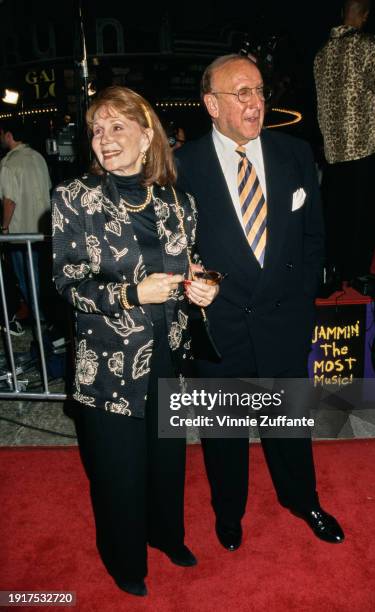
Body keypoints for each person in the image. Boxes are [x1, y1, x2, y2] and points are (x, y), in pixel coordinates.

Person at [52, 86, 218, 597]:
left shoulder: (179, 203)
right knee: (119, 470)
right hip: (106, 364)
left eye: (117, 127)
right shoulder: (73, 199)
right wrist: (131, 293)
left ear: (147, 136)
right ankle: (124, 560)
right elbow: (68, 284)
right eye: (96, 130)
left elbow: (186, 268)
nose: (104, 139)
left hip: (165, 354)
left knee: (167, 460)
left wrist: (201, 287)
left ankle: (167, 535)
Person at [175, 54, 344, 553]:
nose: (256, 103)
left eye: (260, 91)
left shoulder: (294, 153)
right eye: (241, 93)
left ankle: (303, 500)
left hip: (282, 320)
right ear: (211, 104)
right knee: (223, 438)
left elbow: (314, 238)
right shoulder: (183, 167)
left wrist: (302, 303)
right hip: (221, 327)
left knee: (289, 427)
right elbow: (173, 248)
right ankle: (229, 514)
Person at [314, 0, 375, 295]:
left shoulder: (322, 54)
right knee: (363, 213)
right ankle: (358, 273)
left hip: (333, 151)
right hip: (363, 146)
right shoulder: (365, 46)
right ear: (364, 15)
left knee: (336, 214)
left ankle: (333, 273)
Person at [0, 119, 51, 323]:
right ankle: (45, 324)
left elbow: (9, 201)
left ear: (9, 135)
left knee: (26, 281)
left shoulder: (7, 164)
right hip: (41, 232)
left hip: (20, 235)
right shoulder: (39, 157)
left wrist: (4, 227)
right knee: (40, 279)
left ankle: (41, 327)